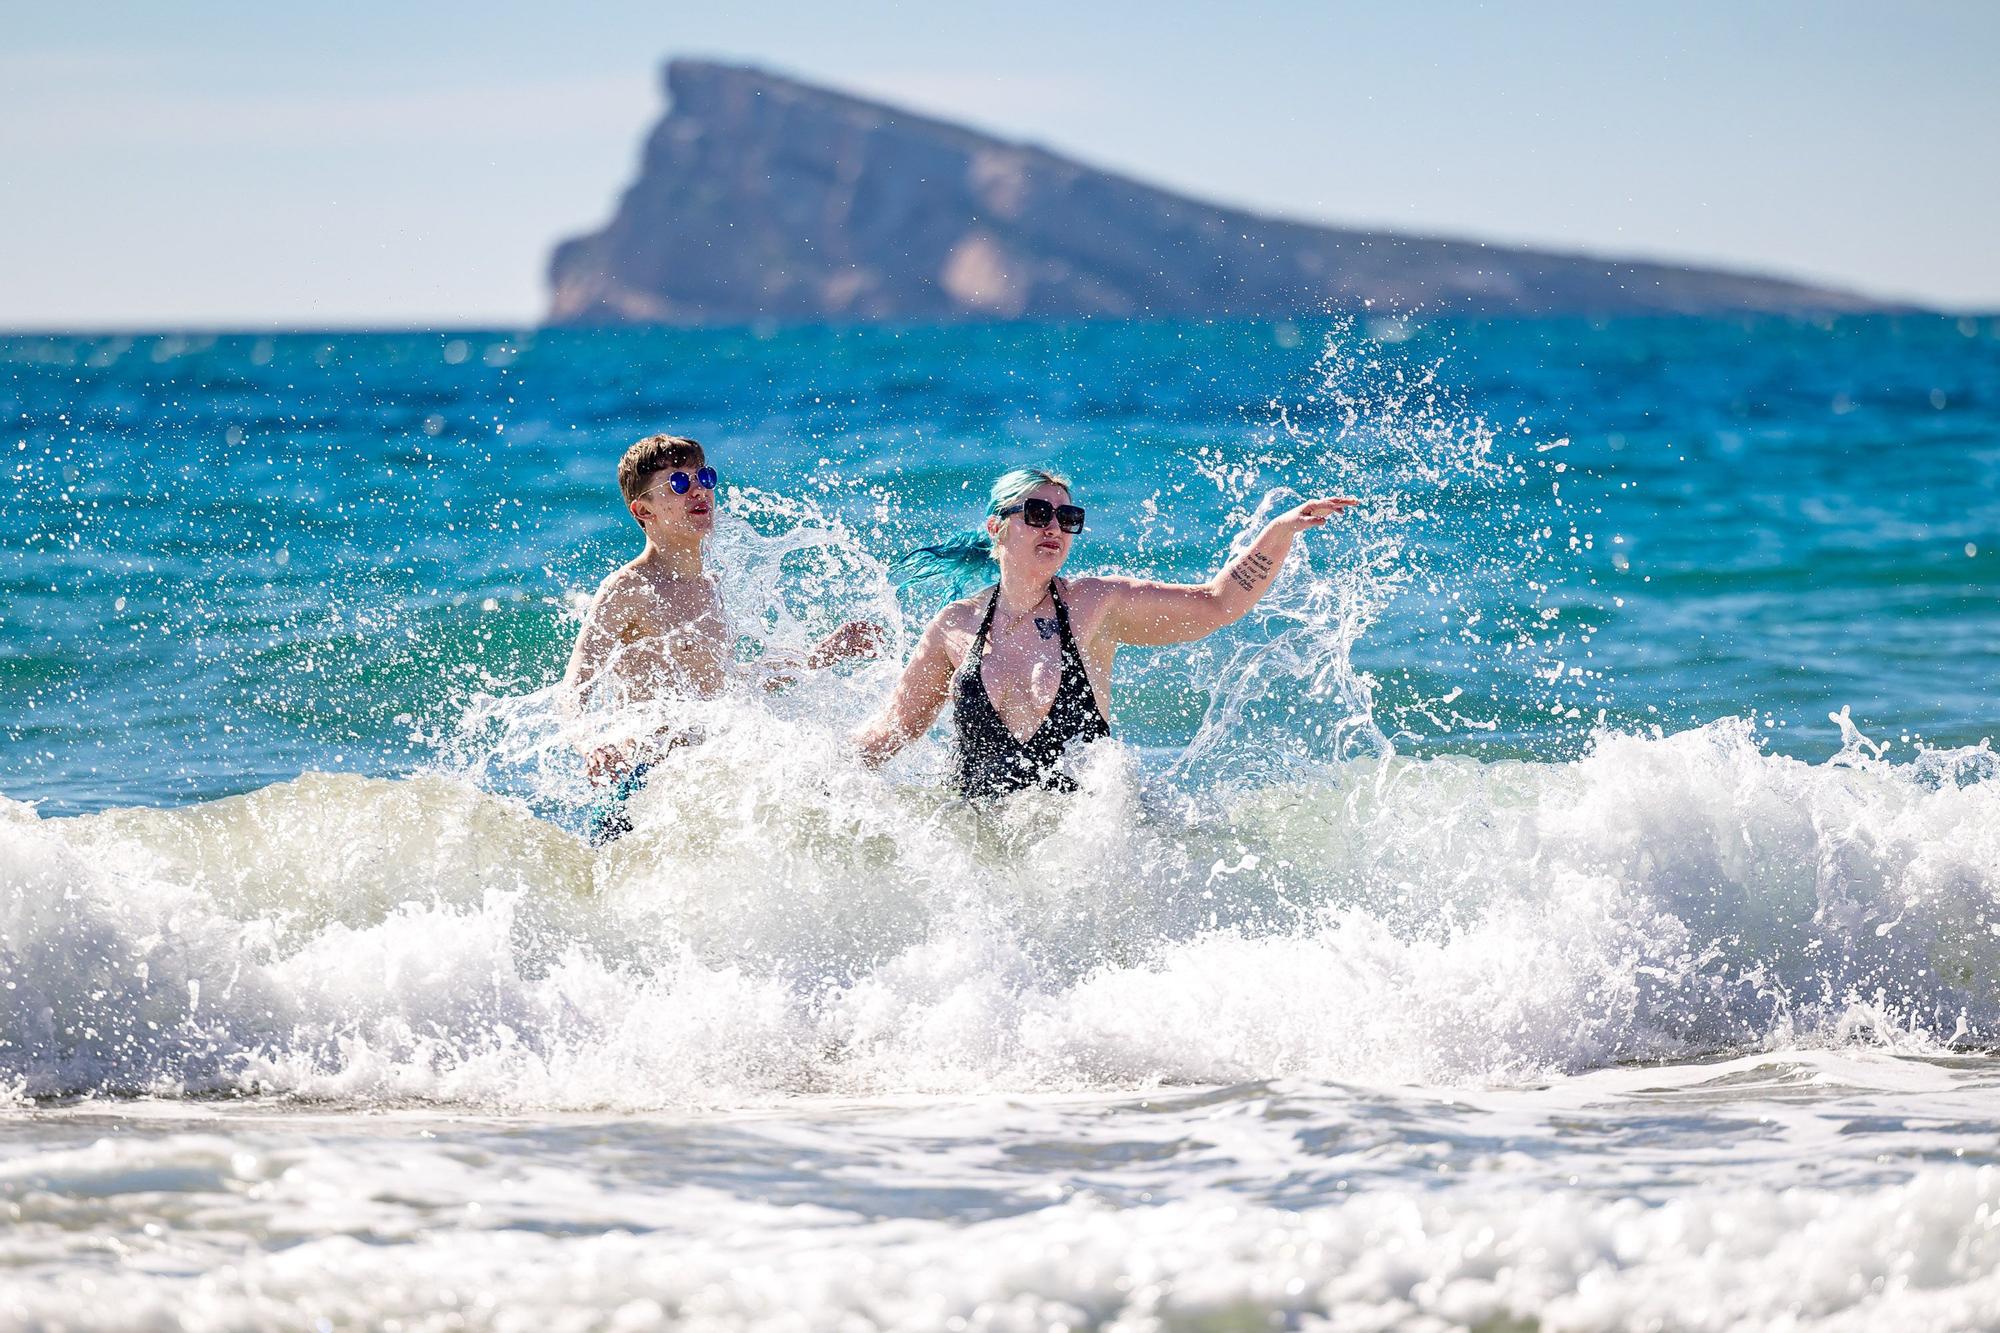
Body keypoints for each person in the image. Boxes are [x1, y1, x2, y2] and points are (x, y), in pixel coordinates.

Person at [852, 466, 1358, 796]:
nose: (1053, 526)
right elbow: (887, 736)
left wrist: (1280, 531)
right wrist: (797, 771)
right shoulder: (955, 626)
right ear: (997, 527)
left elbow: (1218, 603)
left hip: (1076, 851)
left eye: (1066, 517)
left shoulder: (1093, 605)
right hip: (979, 855)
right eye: (1037, 513)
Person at [565, 432, 880, 841]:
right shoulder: (629, 589)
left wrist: (823, 653)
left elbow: (728, 688)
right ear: (643, 510)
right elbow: (574, 690)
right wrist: (592, 745)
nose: (699, 491)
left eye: (705, 477)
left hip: (707, 778)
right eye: (679, 484)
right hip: (643, 786)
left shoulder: (710, 584)